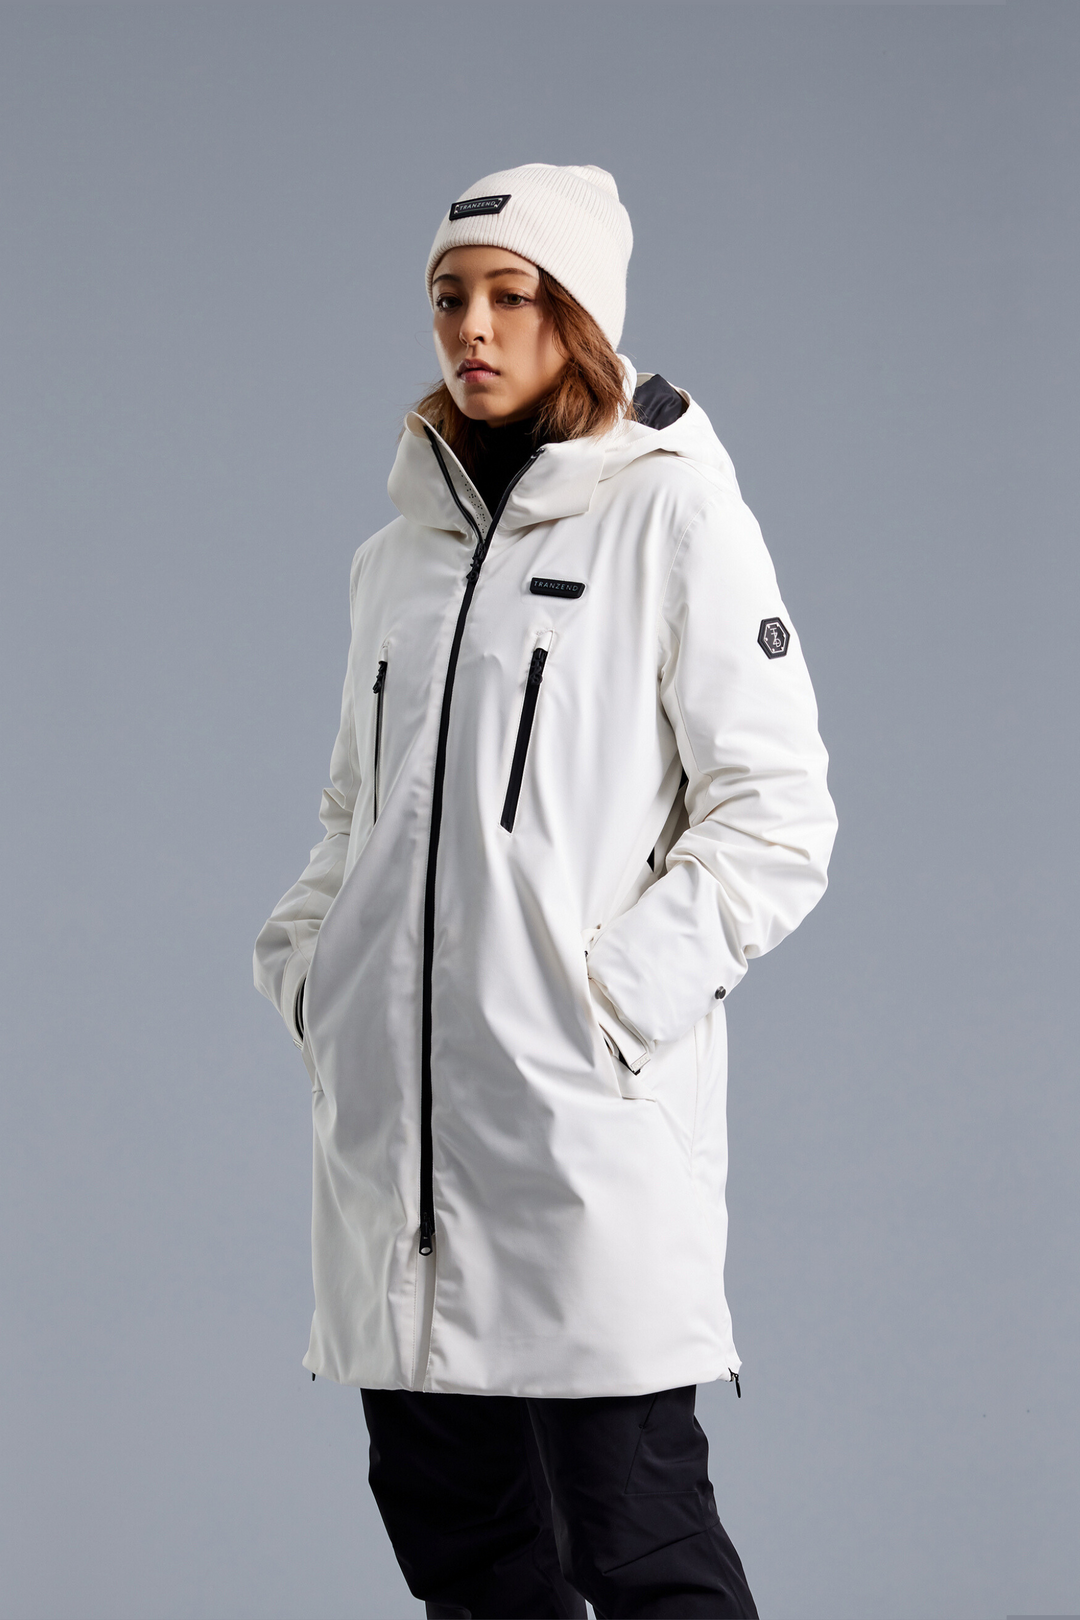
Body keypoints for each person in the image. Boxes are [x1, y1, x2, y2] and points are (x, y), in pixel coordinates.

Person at [254, 162, 837, 1619]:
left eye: (511, 296)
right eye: (449, 296)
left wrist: (610, 1004)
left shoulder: (675, 521)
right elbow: (349, 809)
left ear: (578, 315)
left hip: (580, 1137)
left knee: (639, 1551)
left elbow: (777, 817)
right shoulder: (393, 560)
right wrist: (314, 972)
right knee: (466, 1563)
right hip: (397, 1157)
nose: (473, 326)